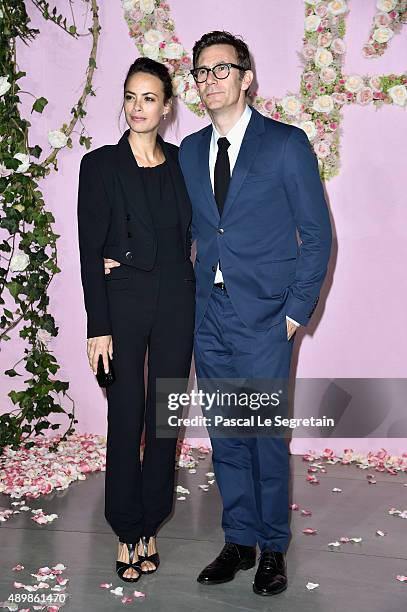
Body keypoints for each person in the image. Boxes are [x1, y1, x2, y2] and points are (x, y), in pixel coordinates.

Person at [179, 31, 332, 596]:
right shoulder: (192, 150)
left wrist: (295, 311)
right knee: (226, 435)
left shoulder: (286, 145)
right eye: (201, 72)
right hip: (209, 315)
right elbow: (188, 228)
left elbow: (317, 235)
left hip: (267, 318)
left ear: (247, 78)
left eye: (222, 69)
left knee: (265, 436)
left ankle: (272, 547)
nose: (210, 79)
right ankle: (239, 540)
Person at [77, 57, 195, 583]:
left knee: (165, 417)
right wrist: (96, 324)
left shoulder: (183, 162)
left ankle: (151, 520)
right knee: (126, 416)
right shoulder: (99, 164)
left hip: (177, 300)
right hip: (121, 302)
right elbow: (87, 250)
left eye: (149, 98)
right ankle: (126, 528)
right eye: (130, 96)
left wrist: (124, 252)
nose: (138, 107)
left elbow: (193, 232)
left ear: (166, 107)